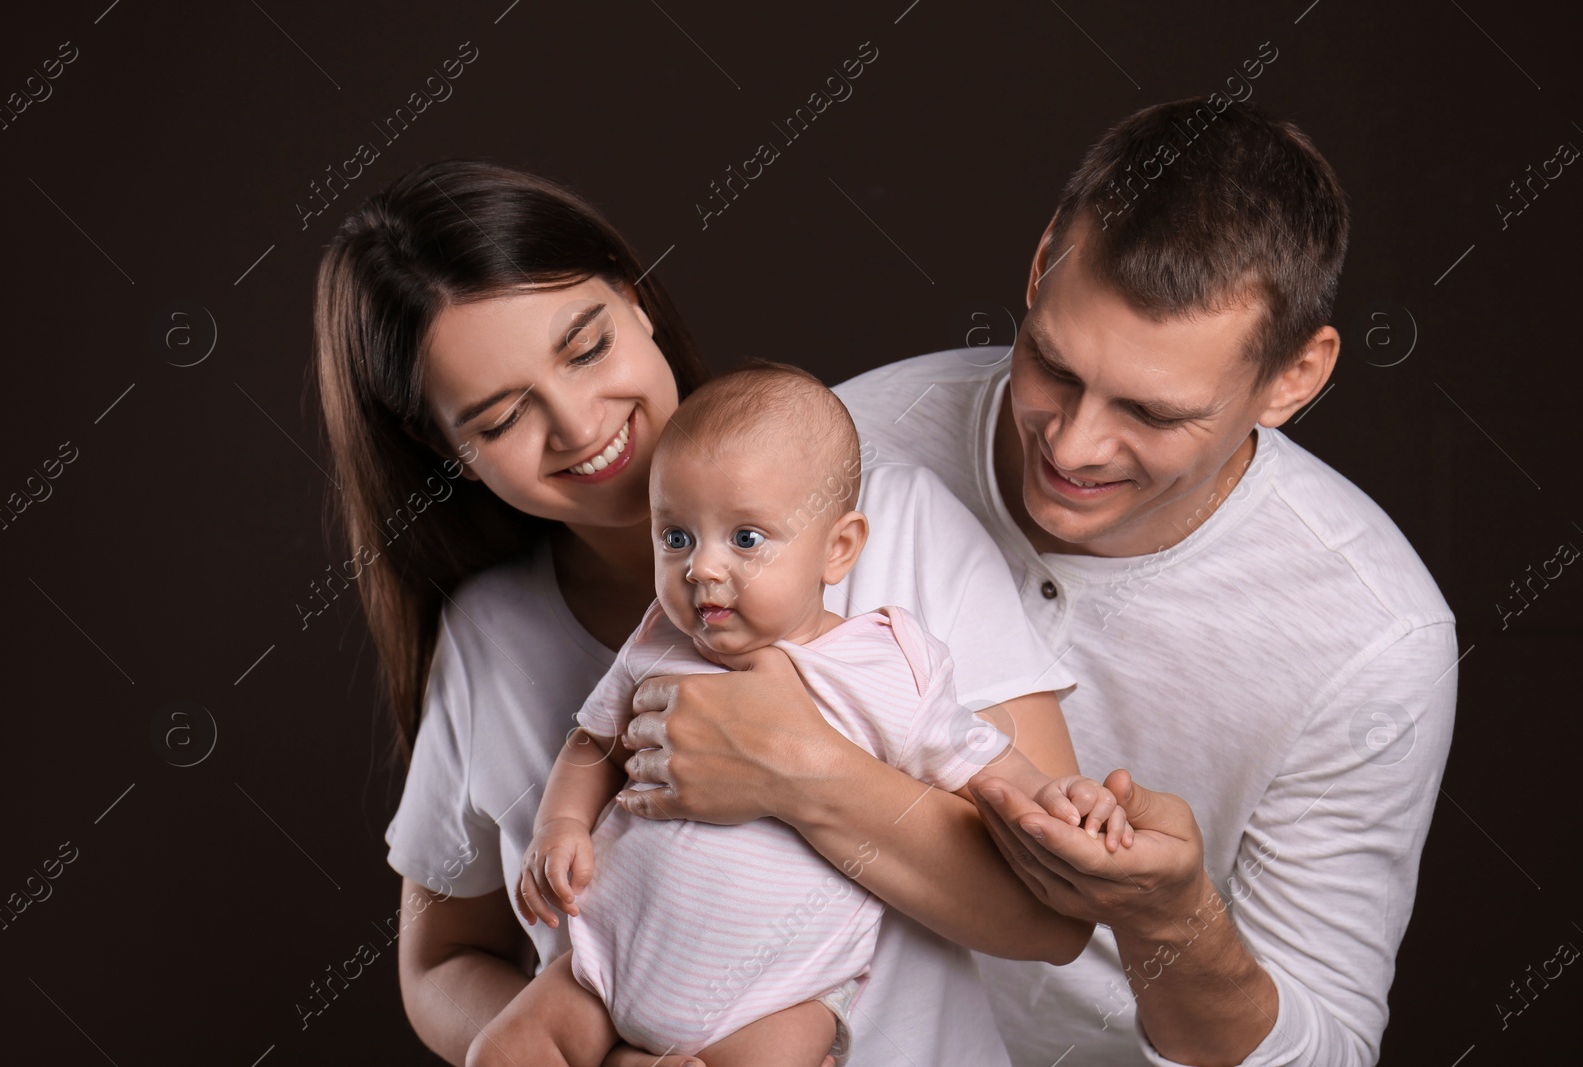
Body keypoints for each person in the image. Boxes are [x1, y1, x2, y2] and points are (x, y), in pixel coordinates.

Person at [614, 99, 1457, 1066]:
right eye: (1051, 364)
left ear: (1294, 380)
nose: (1072, 442)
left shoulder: (1376, 635)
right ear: (1042, 258)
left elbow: (1329, 1055)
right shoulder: (842, 448)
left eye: (1151, 411)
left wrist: (1175, 919)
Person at [313, 161, 1109, 1067]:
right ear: (443, 446)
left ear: (634, 296)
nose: (578, 424)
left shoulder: (897, 527)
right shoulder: (486, 631)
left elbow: (1054, 917)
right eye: (500, 418)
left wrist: (793, 768)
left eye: (586, 347)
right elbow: (439, 961)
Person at [504, 365, 1132, 1066]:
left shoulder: (881, 664)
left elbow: (983, 762)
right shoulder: (657, 639)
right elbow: (592, 742)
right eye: (675, 537)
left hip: (774, 1000)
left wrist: (1060, 798)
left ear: (838, 548)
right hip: (600, 964)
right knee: (499, 1050)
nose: (701, 569)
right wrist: (558, 824)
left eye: (745, 539)